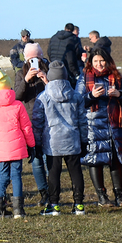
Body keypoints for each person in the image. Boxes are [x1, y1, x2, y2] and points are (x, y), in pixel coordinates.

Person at [32, 61, 88, 216]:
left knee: (53, 174)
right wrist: (84, 141)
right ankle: (79, 205)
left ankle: (54, 205)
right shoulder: (76, 96)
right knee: (76, 172)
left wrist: (36, 143)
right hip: (73, 141)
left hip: (52, 143)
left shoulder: (42, 97)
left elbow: (37, 123)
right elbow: (83, 121)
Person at [78, 48, 122, 207]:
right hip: (93, 125)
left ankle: (119, 195)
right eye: (95, 61)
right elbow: (78, 101)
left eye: (102, 61)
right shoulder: (84, 77)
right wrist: (91, 96)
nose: (99, 64)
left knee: (116, 160)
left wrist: (118, 95)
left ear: (107, 61)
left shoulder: (116, 76)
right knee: (95, 160)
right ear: (90, 62)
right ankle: (102, 196)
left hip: (114, 124)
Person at [0, 70, 35, 219]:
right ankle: (18, 210)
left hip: (0, 149)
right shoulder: (18, 105)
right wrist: (31, 145)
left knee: (3, 176)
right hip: (17, 147)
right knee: (16, 176)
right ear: (9, 86)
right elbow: (26, 127)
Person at [12, 41, 50, 206]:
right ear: (26, 59)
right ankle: (43, 192)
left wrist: (47, 80)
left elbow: (59, 92)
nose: (34, 61)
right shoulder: (20, 74)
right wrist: (26, 80)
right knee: (36, 159)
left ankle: (52, 192)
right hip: (30, 122)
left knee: (50, 159)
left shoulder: (49, 71)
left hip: (49, 120)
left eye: (37, 58)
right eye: (31, 59)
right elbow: (17, 96)